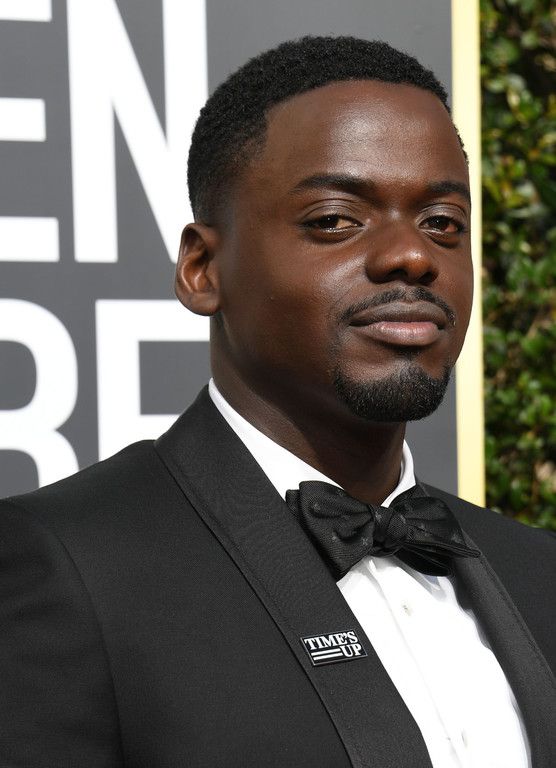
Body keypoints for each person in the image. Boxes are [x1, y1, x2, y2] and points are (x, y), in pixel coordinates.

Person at [0, 36, 554, 768]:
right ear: (203, 268)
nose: (413, 256)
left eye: (443, 223)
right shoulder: (70, 564)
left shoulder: (537, 573)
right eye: (335, 220)